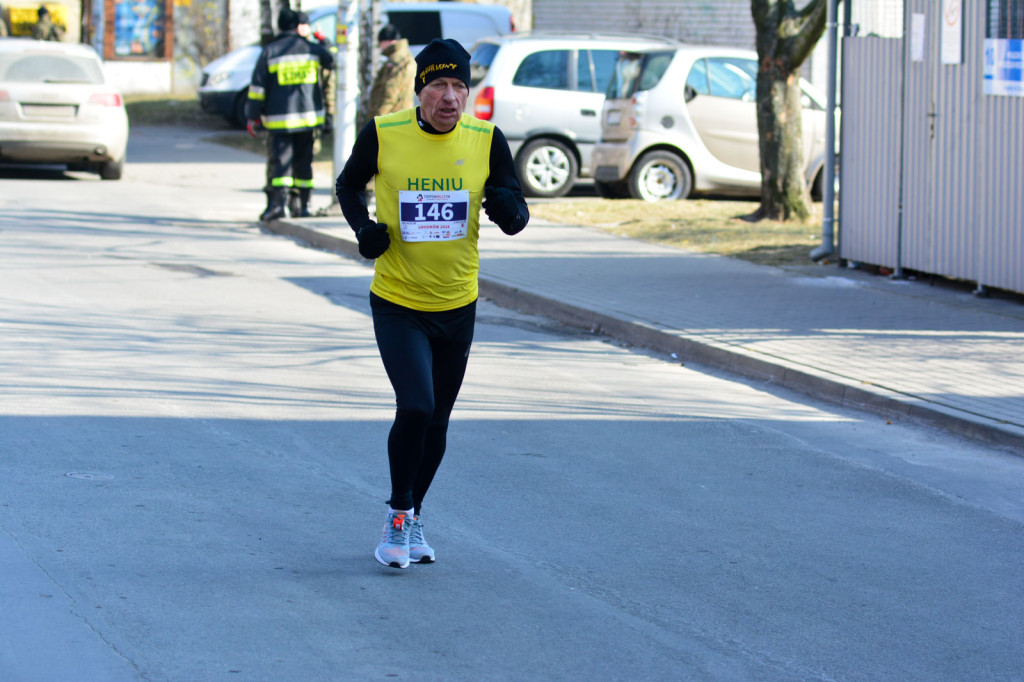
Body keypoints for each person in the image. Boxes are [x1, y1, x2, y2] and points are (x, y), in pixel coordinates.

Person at [335, 38, 529, 570]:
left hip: (458, 302)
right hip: (398, 300)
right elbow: (348, 185)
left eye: (460, 86)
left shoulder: (487, 139)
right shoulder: (384, 132)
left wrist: (509, 209)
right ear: (420, 89)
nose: (450, 97)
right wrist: (364, 230)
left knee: (438, 420)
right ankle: (398, 517)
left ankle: (415, 513)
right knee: (416, 406)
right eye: (440, 85)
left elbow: (515, 209)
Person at [246, 8, 334, 221]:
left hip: (279, 121)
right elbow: (332, 61)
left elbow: (257, 88)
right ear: (297, 26)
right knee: (304, 163)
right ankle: (302, 207)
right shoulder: (311, 49)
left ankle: (278, 206)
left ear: (280, 26)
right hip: (309, 119)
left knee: (280, 164)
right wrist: (323, 40)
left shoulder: (270, 51)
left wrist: (252, 116)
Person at [359, 24, 416, 129]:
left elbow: (390, 94)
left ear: (387, 41)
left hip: (392, 120)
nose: (381, 47)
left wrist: (376, 122)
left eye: (381, 43)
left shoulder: (396, 61)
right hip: (401, 117)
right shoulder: (405, 57)